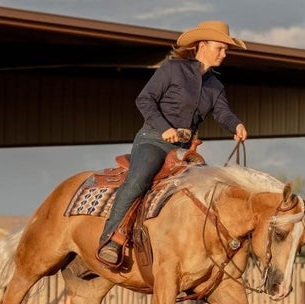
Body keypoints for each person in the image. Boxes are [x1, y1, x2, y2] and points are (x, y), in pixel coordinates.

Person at [97, 20, 249, 265]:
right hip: (153, 141)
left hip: (184, 150)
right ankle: (111, 238)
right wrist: (164, 127)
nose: (224, 54)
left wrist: (237, 125)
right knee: (139, 179)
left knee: (207, 190)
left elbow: (223, 113)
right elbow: (144, 100)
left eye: (226, 50)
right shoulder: (172, 69)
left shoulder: (216, 86)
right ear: (202, 45)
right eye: (220, 48)